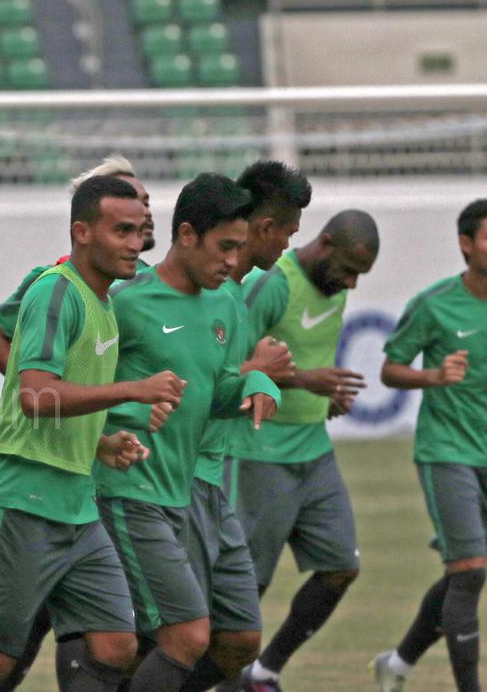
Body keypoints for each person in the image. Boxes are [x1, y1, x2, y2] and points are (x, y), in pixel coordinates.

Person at [0, 175, 161, 692]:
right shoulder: (54, 291)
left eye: (141, 231)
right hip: (23, 501)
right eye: (123, 231)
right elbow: (35, 395)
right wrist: (132, 391)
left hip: (76, 502)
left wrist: (101, 441)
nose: (136, 243)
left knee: (117, 644)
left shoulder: (104, 302)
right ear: (82, 232)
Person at [96, 173, 280, 692]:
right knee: (180, 636)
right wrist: (116, 428)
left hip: (191, 490)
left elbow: (219, 388)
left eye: (240, 249)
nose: (232, 261)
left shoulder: (226, 304)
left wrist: (258, 384)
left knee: (239, 639)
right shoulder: (125, 303)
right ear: (186, 235)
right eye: (224, 247)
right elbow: (79, 390)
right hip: (129, 490)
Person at [171, 160, 311, 692]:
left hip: (209, 475)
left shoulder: (232, 290)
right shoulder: (189, 289)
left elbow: (229, 379)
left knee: (233, 637)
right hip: (169, 480)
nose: (287, 249)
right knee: (165, 636)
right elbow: (182, 382)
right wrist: (258, 372)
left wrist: (262, 382)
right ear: (265, 228)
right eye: (289, 234)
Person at [232, 209, 379, 691]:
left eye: (362, 275)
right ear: (326, 243)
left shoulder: (333, 289)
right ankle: (227, 678)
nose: (353, 284)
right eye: (350, 269)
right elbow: (233, 361)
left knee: (341, 566)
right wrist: (305, 381)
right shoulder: (274, 283)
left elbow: (308, 359)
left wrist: (325, 394)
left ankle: (266, 670)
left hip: (312, 449)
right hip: (260, 449)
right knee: (248, 585)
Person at [371, 199, 487, 692]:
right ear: (466, 244)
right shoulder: (435, 303)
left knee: (466, 573)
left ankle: (398, 662)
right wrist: (434, 376)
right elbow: (390, 368)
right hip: (448, 451)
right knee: (470, 571)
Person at [0, 156, 152, 376]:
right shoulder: (53, 286)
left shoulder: (147, 278)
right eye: (127, 200)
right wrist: (47, 394)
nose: (144, 212)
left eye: (145, 202)